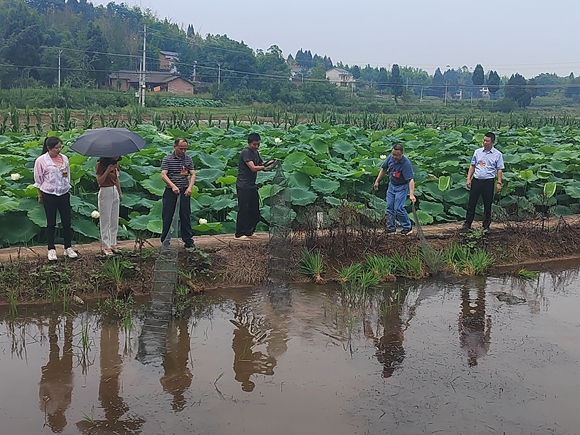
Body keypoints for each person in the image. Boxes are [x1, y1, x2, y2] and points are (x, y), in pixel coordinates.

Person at [34, 136, 78, 261]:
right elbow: (38, 180)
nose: (59, 150)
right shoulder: (41, 161)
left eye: (60, 147)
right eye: (56, 148)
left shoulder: (64, 159)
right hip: (49, 194)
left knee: (66, 222)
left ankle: (68, 248)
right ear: (48, 148)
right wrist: (40, 195)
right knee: (51, 223)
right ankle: (51, 249)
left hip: (64, 193)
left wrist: (67, 186)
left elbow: (67, 175)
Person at [461, 132, 504, 233]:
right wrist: (468, 178)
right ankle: (467, 224)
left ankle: (486, 226)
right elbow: (472, 165)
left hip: (488, 182)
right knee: (472, 203)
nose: (485, 142)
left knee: (487, 204)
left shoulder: (497, 154)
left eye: (487, 141)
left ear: (492, 142)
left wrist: (499, 182)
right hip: (476, 180)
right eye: (484, 140)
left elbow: (499, 169)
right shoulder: (477, 152)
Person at [373, 143, 416, 235]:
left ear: (402, 154)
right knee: (389, 207)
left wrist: (411, 194)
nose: (395, 157)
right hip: (392, 185)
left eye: (397, 155)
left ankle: (407, 227)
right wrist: (377, 181)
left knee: (398, 208)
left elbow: (410, 180)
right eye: (393, 154)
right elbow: (384, 169)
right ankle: (391, 228)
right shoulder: (390, 158)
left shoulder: (406, 164)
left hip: (402, 186)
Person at [160, 138, 196, 248]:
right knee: (167, 215)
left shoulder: (188, 159)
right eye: (181, 149)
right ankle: (165, 240)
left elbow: (193, 174)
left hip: (184, 190)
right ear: (175, 147)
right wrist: (173, 186)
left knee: (185, 215)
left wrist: (190, 188)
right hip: (171, 191)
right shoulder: (168, 159)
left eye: (185, 149)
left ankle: (188, 241)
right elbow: (163, 174)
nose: (183, 151)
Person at [235, 132, 266, 240]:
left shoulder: (255, 153)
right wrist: (263, 168)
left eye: (258, 144)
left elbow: (261, 163)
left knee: (254, 210)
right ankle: (240, 233)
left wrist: (269, 164)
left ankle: (249, 231)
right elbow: (253, 167)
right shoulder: (246, 152)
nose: (256, 146)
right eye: (254, 144)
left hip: (252, 185)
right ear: (249, 143)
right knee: (244, 208)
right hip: (243, 185)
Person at [96, 157, 122, 255]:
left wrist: (119, 192)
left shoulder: (115, 164)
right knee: (105, 218)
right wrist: (107, 170)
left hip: (113, 190)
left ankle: (113, 243)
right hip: (105, 190)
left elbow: (116, 179)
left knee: (114, 218)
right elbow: (100, 181)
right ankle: (106, 245)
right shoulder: (100, 165)